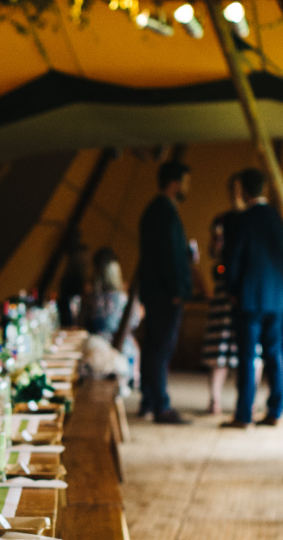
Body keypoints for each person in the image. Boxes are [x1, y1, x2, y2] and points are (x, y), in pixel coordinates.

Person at [222, 167, 283, 428]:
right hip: (275, 298)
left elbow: (233, 259)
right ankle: (276, 410)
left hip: (249, 298)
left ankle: (244, 415)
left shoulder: (244, 220)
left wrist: (232, 290)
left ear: (243, 189)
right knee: (274, 355)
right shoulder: (277, 218)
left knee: (247, 357)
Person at [137, 159, 192, 424]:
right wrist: (176, 289)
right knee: (161, 349)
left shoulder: (153, 210)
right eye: (185, 182)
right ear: (174, 183)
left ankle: (149, 400)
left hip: (154, 290)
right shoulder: (165, 212)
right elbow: (168, 255)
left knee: (152, 347)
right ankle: (161, 405)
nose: (187, 188)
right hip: (165, 293)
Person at [200, 173, 248, 415]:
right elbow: (212, 251)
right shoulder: (221, 219)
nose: (236, 195)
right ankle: (215, 399)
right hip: (223, 288)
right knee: (218, 344)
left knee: (250, 349)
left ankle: (247, 400)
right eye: (233, 190)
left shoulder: (252, 220)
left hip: (246, 289)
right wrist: (217, 245)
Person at [80, 247, 141, 386]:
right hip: (119, 347)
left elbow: (85, 322)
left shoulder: (93, 298)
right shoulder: (121, 298)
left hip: (97, 346)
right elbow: (134, 321)